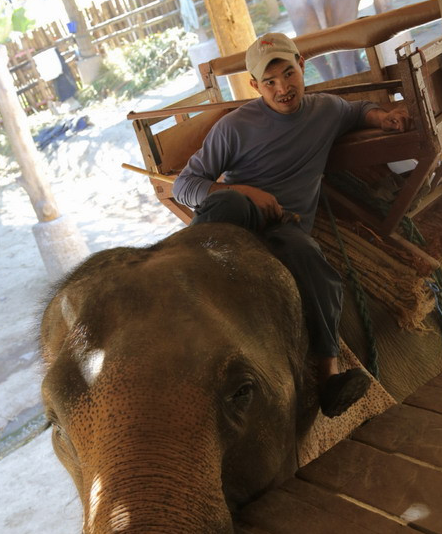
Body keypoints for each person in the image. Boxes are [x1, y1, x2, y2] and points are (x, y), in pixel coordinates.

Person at [172, 32, 411, 417]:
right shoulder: (234, 127)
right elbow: (184, 185)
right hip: (238, 218)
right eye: (270, 82)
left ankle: (330, 377)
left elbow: (358, 110)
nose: (283, 88)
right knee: (229, 199)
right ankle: (179, 283)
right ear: (255, 86)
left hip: (287, 226)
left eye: (288, 73)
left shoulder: (325, 110)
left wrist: (385, 117)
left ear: (302, 65)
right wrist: (249, 193)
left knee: (310, 258)